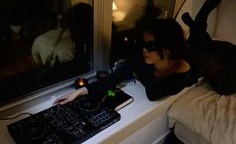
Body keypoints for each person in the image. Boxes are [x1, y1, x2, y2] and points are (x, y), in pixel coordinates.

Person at [54, 18, 197, 105]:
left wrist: (140, 67)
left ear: (167, 48)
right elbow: (113, 78)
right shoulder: (143, 58)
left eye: (151, 45)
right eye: (144, 43)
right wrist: (78, 93)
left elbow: (153, 94)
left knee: (202, 42)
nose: (144, 50)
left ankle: (198, 26)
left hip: (201, 58)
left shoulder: (181, 69)